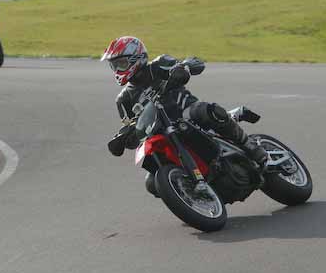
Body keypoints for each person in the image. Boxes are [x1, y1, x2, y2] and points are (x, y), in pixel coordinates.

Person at [102, 36, 273, 196]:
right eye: (114, 66)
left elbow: (194, 63)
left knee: (207, 111)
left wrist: (184, 68)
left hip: (186, 112)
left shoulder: (159, 65)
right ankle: (192, 196)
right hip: (160, 132)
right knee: (152, 182)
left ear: (137, 58)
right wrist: (123, 138)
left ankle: (252, 147)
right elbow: (133, 126)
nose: (117, 70)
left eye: (121, 64)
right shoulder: (123, 100)